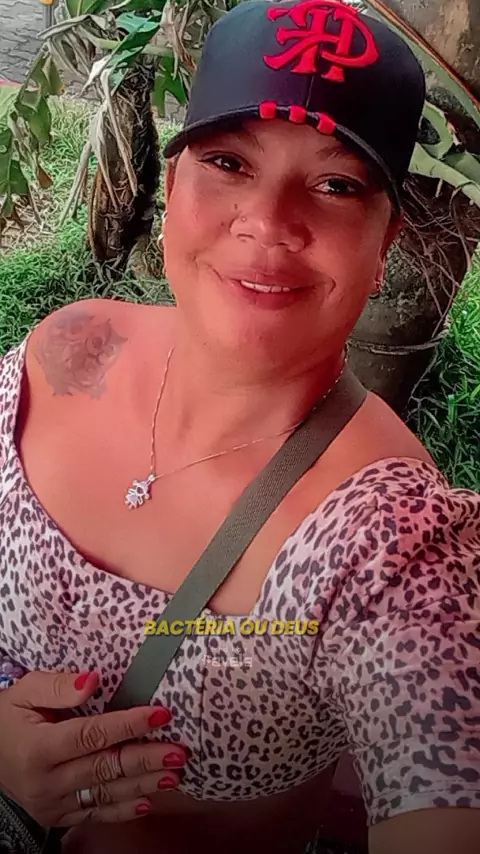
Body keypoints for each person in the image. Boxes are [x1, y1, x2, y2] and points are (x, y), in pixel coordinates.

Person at [0, 1, 479, 852]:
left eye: (335, 184)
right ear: (173, 185)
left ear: (385, 244)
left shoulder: (389, 541)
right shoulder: (70, 351)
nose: (267, 221)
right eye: (228, 162)